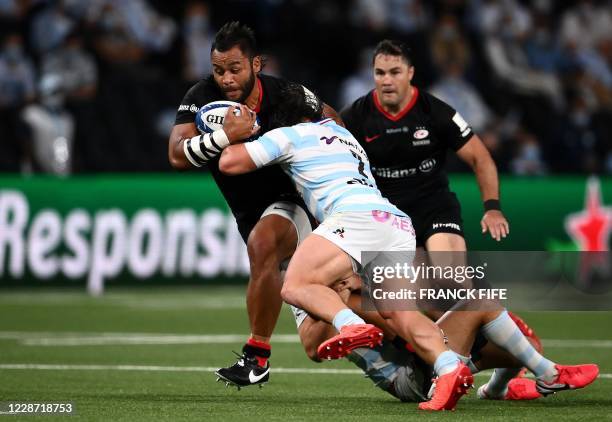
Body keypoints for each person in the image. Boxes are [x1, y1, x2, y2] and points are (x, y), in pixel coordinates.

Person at [218, 83, 475, 411]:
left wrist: (231, 132)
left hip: (354, 217)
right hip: (394, 222)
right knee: (400, 313)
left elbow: (230, 163)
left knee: (296, 284)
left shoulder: (290, 135)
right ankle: (450, 367)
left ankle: (351, 325)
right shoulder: (347, 137)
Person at [339, 39, 543, 391]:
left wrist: (492, 207)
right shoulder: (355, 116)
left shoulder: (436, 111)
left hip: (434, 207)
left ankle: (477, 346)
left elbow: (481, 158)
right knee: (422, 300)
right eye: (380, 73)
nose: (387, 80)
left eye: (395, 72)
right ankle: (489, 351)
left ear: (411, 74)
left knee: (453, 278)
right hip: (387, 218)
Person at [168, 21, 340, 388]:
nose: (226, 79)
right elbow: (177, 155)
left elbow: (334, 121)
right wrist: (223, 136)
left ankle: (256, 357)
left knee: (263, 245)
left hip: (295, 201)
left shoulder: (287, 96)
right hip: (249, 210)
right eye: (218, 70)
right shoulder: (201, 97)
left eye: (235, 69)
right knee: (316, 341)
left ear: (256, 65)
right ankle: (405, 360)